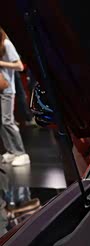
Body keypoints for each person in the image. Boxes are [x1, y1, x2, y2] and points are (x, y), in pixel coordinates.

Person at [0, 27, 30, 167]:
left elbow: (19, 66)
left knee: (7, 121)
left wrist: (1, 63)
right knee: (2, 122)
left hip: (6, 88)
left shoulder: (6, 43)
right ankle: (11, 150)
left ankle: (21, 153)